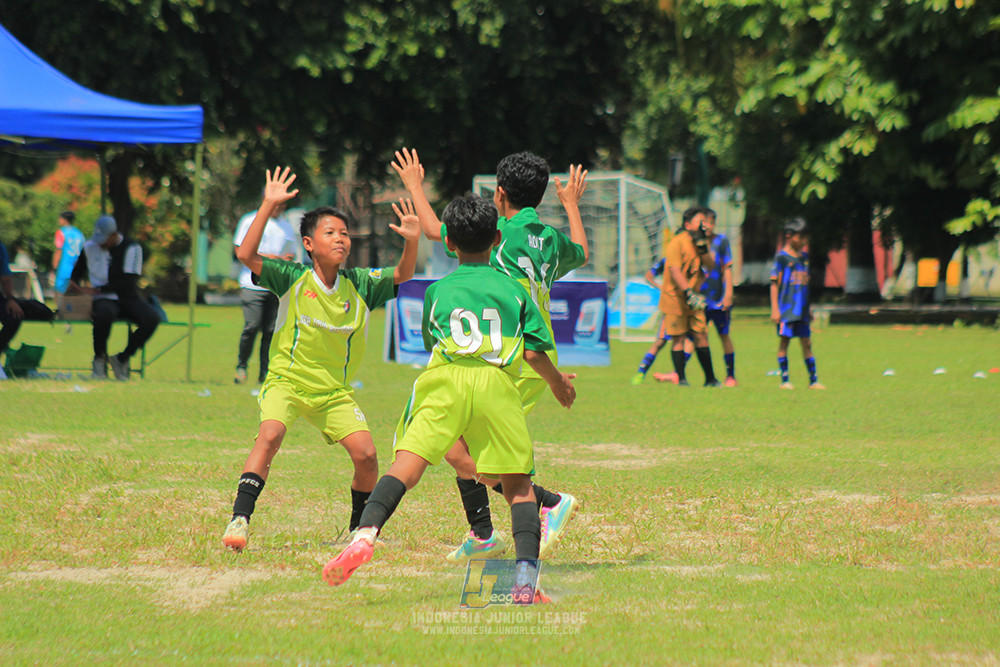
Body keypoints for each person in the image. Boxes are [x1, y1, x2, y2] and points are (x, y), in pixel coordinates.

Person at [322, 192, 576, 600]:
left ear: (450, 244)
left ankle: (364, 534)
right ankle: (526, 582)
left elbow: (431, 338)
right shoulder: (514, 291)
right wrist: (559, 383)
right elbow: (532, 351)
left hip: (445, 381)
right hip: (497, 385)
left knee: (405, 467)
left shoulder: (436, 291)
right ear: (497, 238)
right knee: (518, 486)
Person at [392, 148, 585, 564]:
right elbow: (582, 251)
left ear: (499, 194)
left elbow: (435, 230)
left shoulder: (500, 231)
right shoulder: (548, 239)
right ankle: (484, 533)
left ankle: (544, 502)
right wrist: (570, 206)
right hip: (529, 348)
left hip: (503, 354)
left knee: (461, 449)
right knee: (462, 446)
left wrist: (413, 185)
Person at [221, 167, 420, 552]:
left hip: (332, 392)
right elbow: (245, 254)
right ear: (309, 244)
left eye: (344, 233)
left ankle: (357, 531)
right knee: (271, 434)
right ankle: (240, 519)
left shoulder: (360, 284)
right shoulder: (292, 277)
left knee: (366, 454)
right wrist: (268, 204)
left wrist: (411, 241)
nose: (341, 239)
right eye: (331, 233)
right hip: (287, 382)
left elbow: (403, 273)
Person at [70, 215, 161, 381]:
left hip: (126, 296)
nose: (101, 244)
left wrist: (95, 289)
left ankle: (122, 358)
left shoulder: (132, 248)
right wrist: (74, 285)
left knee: (152, 318)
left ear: (114, 235)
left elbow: (128, 283)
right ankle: (99, 360)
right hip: (102, 298)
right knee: (104, 313)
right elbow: (77, 272)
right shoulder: (89, 247)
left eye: (105, 240)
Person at [232, 200, 299, 384]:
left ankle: (265, 373)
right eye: (276, 204)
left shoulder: (286, 226)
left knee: (271, 331)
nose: (280, 208)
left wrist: (287, 259)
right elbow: (240, 251)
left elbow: (291, 252)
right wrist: (272, 258)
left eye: (282, 205)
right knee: (252, 326)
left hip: (276, 285)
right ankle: (242, 366)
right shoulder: (250, 220)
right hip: (252, 284)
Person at [659, 207, 719, 386]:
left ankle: (710, 379)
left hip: (694, 298)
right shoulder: (676, 243)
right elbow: (675, 271)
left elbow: (711, 266)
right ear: (687, 224)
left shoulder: (699, 242)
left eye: (706, 222)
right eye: (701, 221)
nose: (705, 225)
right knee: (678, 337)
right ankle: (681, 379)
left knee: (701, 334)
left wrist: (703, 248)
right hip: (675, 297)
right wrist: (688, 292)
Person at [770, 217, 824, 390]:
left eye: (805, 238)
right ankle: (785, 380)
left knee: (807, 343)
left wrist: (808, 308)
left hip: (801, 311)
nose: (803, 241)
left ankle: (813, 380)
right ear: (789, 236)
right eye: (800, 237)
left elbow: (805, 286)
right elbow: (774, 284)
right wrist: (775, 309)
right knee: (784, 342)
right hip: (786, 310)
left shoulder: (804, 258)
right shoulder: (782, 258)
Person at [700, 207, 738, 387]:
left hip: (718, 300)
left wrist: (728, 293)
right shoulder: (694, 243)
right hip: (699, 299)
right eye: (703, 222)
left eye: (710, 222)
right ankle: (680, 373)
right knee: (697, 336)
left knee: (724, 335)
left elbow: (727, 268)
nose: (707, 226)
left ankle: (731, 376)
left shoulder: (721, 242)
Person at [51, 211, 85, 296]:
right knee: (75, 293)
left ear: (65, 220)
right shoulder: (79, 233)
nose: (59, 221)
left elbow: (59, 250)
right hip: (76, 267)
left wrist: (54, 267)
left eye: (60, 219)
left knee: (60, 293)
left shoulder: (61, 232)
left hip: (63, 267)